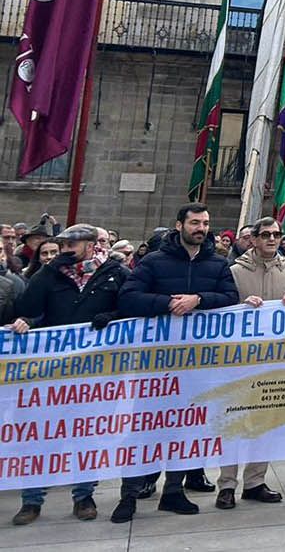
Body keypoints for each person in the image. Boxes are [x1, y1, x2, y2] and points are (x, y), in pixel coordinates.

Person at [112, 204, 239, 522]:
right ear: (179, 224)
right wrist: (167, 303)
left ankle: (173, 491)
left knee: (187, 428)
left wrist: (199, 299)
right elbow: (128, 297)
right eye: (195, 222)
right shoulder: (154, 261)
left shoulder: (218, 264)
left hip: (197, 364)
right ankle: (129, 494)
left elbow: (230, 298)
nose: (201, 228)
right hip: (156, 364)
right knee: (144, 428)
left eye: (206, 223)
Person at [8, 224, 129, 524]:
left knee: (87, 437)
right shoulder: (50, 275)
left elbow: (129, 308)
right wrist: (48, 273)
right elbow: (26, 307)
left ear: (90, 246)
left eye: (71, 245)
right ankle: (32, 500)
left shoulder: (113, 273)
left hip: (94, 375)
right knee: (40, 437)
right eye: (62, 244)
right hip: (51, 373)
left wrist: (111, 318)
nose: (65, 249)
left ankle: (84, 496)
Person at [216, 217, 285, 509]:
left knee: (263, 423)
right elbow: (222, 307)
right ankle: (227, 484)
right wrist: (241, 305)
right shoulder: (235, 271)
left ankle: (255, 481)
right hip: (239, 360)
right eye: (265, 234)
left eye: (276, 235)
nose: (271, 239)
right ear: (253, 239)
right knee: (234, 423)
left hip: (273, 360)